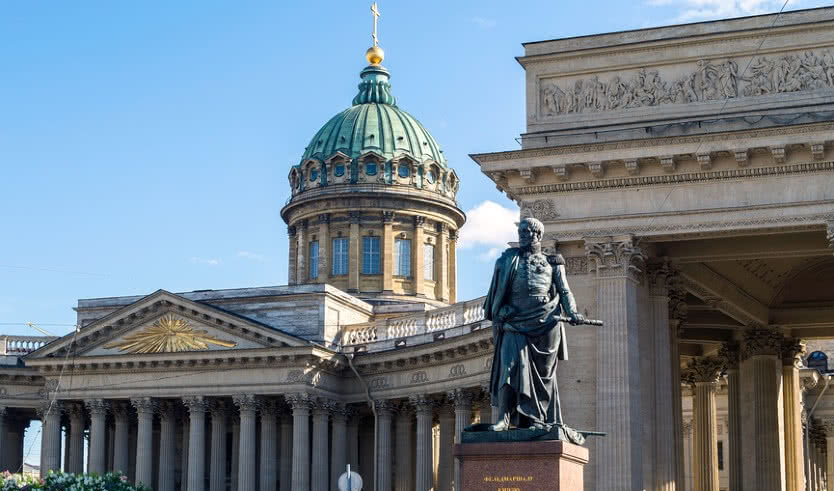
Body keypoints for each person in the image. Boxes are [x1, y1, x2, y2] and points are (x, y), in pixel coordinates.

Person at [484, 217, 585, 433]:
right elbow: (495, 297)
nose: (521, 236)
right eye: (520, 232)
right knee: (508, 368)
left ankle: (536, 418)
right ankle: (503, 418)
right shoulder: (507, 260)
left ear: (537, 235)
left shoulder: (553, 262)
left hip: (546, 321)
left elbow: (564, 290)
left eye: (525, 233)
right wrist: (501, 311)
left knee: (543, 374)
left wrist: (573, 312)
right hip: (514, 322)